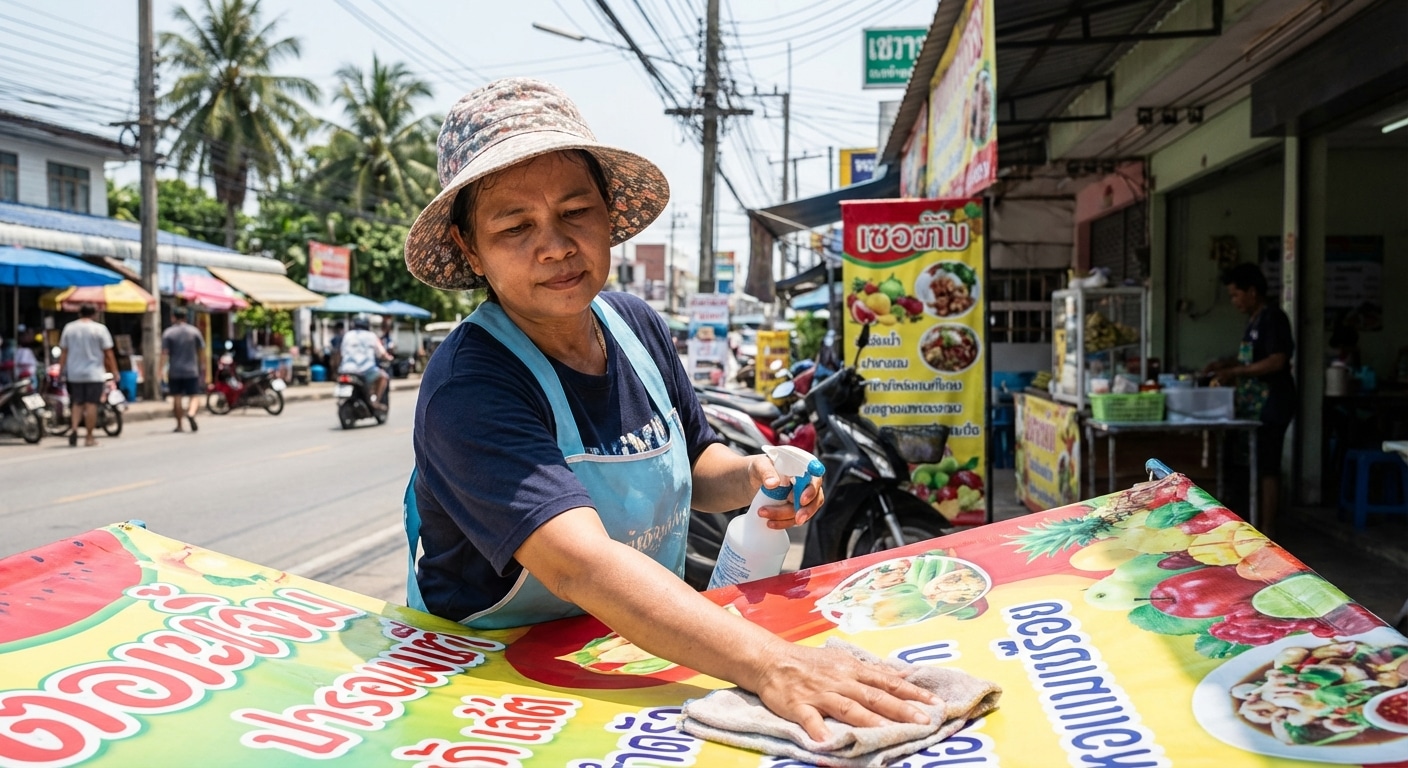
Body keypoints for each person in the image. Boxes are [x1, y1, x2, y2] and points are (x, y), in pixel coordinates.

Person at [403, 78, 935, 742]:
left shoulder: (635, 325)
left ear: (608, 214)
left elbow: (694, 455)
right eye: (515, 226)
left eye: (576, 211)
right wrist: (774, 664)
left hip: (636, 649)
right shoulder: (470, 386)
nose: (556, 245)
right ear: (470, 249)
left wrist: (752, 476)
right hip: (494, 693)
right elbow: (579, 565)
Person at [1204, 263, 1296, 535]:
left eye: (1236, 294)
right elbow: (1251, 358)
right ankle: (1252, 522)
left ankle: (1268, 529)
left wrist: (1235, 372)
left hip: (1273, 403)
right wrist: (1226, 363)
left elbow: (1276, 361)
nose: (1234, 301)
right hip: (1254, 404)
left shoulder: (1273, 318)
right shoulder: (1254, 320)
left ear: (1252, 292)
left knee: (1268, 466)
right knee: (1251, 463)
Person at [58, 304, 118, 447]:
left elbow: (64, 352)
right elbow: (108, 353)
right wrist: (114, 370)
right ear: (94, 314)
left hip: (74, 373)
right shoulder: (100, 329)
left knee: (77, 403)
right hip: (94, 373)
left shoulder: (69, 328)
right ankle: (89, 437)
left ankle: (74, 429)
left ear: (79, 313)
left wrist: (61, 370)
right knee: (91, 404)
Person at [162, 306, 206, 433]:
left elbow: (164, 353)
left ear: (173, 318)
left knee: (177, 397)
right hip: (191, 370)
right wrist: (203, 366)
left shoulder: (168, 333)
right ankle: (191, 413)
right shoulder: (194, 331)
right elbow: (201, 351)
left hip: (174, 370)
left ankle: (179, 425)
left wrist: (161, 370)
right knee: (194, 396)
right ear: (186, 318)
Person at [338, 316, 391, 408]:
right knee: (383, 377)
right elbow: (382, 353)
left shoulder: (348, 335)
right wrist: (388, 357)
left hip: (346, 369)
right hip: (365, 370)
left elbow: (342, 352)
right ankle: (375, 402)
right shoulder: (372, 336)